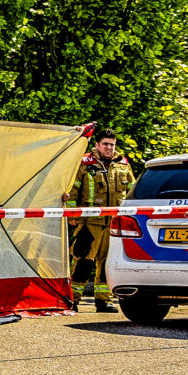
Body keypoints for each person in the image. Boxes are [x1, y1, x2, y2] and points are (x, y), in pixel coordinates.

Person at [71, 131, 139, 311]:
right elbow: (73, 190)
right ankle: (72, 299)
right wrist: (72, 216)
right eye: (105, 144)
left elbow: (133, 192)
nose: (109, 148)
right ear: (97, 145)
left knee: (108, 263)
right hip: (89, 223)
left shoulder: (123, 165)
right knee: (83, 261)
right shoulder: (85, 163)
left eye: (112, 144)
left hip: (114, 224)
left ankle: (104, 300)